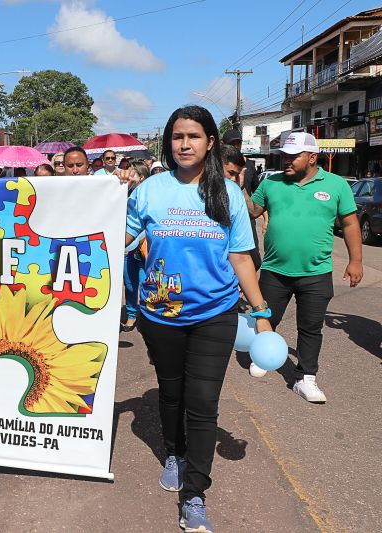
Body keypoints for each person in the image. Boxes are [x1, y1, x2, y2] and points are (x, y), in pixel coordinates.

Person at [123, 105, 272, 533]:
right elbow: (124, 240)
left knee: (203, 404)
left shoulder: (227, 193)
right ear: (168, 143)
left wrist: (261, 313)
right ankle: (174, 451)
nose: (184, 144)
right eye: (177, 137)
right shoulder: (149, 190)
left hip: (215, 315)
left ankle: (195, 494)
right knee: (172, 395)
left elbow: (241, 257)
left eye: (193, 136)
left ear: (210, 142)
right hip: (160, 314)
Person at [241, 132, 363, 400]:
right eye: (284, 155)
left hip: (316, 272)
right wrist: (241, 187)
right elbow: (252, 211)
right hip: (275, 270)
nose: (287, 160)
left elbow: (351, 223)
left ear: (312, 157)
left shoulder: (336, 185)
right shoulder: (271, 183)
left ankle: (305, 377)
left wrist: (355, 261)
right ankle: (263, 356)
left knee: (310, 328)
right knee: (265, 318)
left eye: (293, 156)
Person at [221, 146, 262, 272]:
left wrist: (240, 188)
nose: (233, 179)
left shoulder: (236, 194)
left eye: (237, 175)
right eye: (231, 173)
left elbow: (254, 212)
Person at [121, 160, 150, 332]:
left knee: (146, 283)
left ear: (142, 177)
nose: (129, 176)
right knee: (130, 284)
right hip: (127, 248)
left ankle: (147, 316)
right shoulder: (122, 192)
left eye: (133, 174)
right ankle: (131, 315)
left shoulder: (150, 196)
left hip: (146, 249)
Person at [222, 128, 258, 194]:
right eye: (232, 143)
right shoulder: (217, 163)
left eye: (238, 143)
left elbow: (256, 191)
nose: (236, 146)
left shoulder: (250, 165)